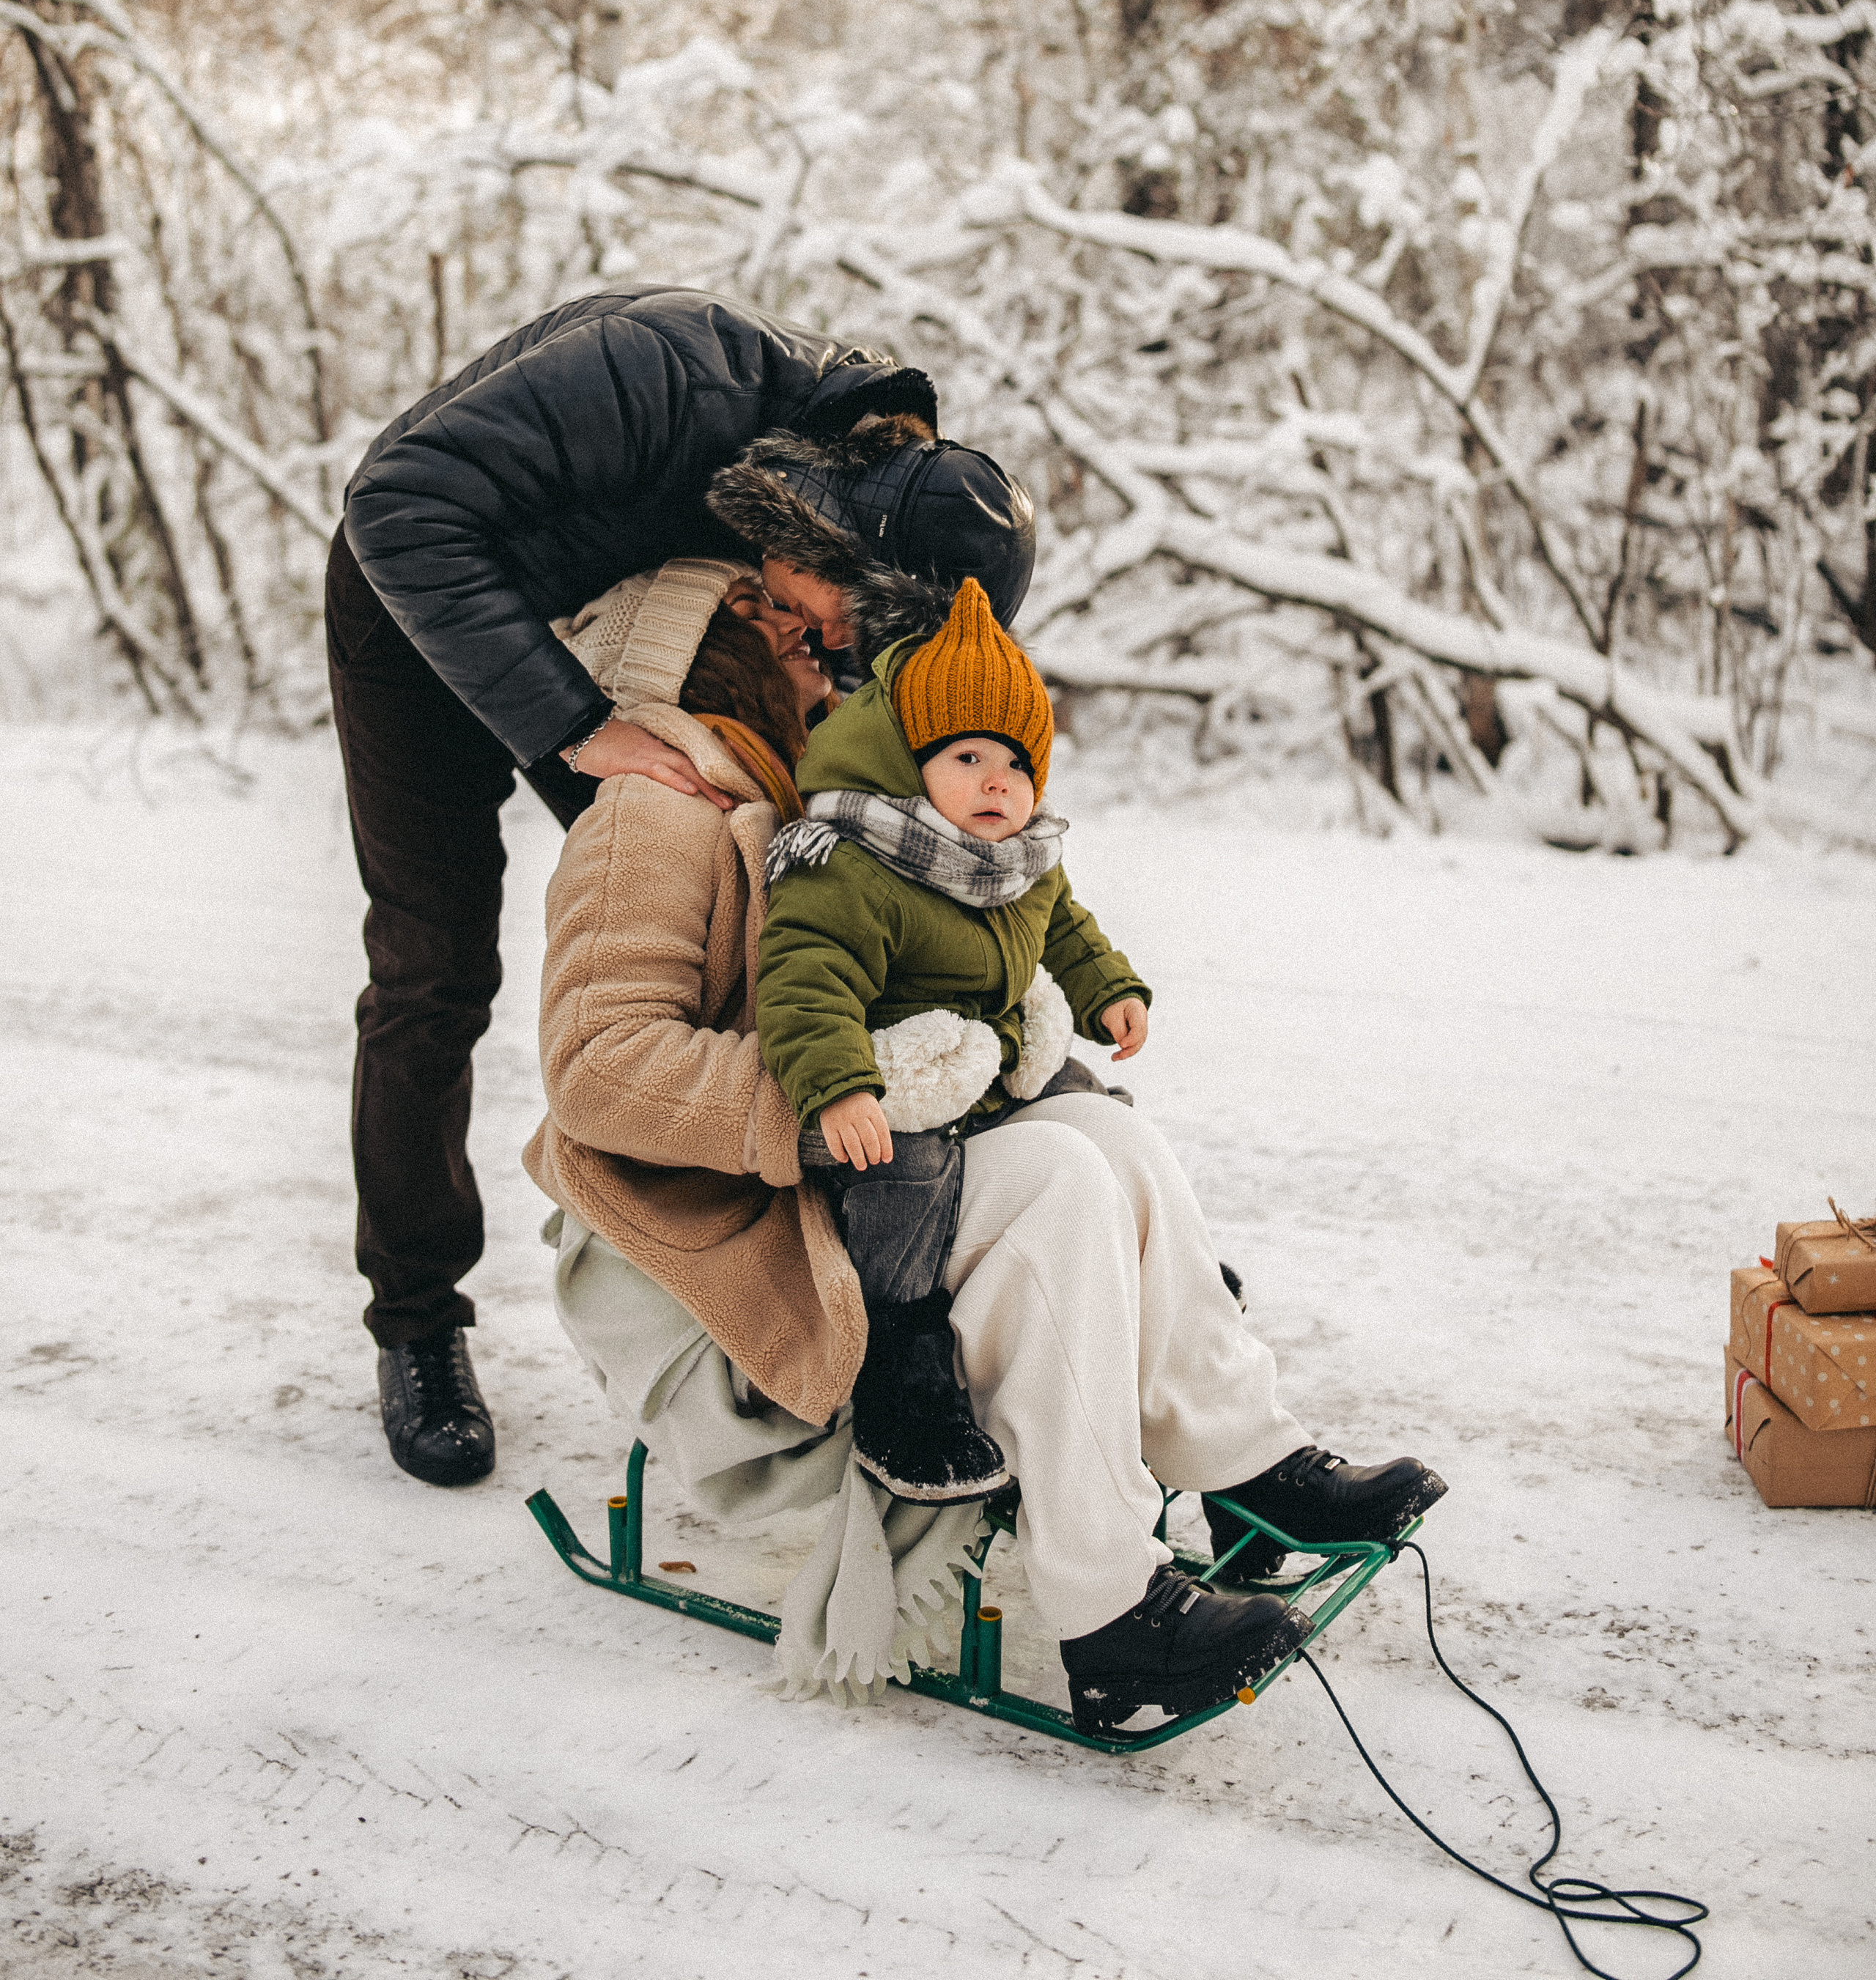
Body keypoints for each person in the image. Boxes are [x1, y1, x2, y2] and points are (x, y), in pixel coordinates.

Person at [531, 549, 1450, 1740]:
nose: (822, 650)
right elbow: (597, 1070)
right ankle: (1112, 1621)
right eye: (782, 630)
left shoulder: (811, 794)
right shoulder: (653, 813)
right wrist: (832, 1098)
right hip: (711, 1232)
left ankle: (1249, 1464)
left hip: (854, 1175)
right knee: (1059, 1182)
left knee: (1105, 1143)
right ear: (712, 654)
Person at [328, 286, 1033, 1488]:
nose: (837, 650)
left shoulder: (877, 495)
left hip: (612, 640)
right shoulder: (665, 377)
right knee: (433, 973)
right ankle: (418, 1323)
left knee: (744, 912)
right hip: (418, 612)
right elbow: (395, 504)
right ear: (829, 531)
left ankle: (798, 1275)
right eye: (840, 624)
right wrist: (571, 723)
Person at [758, 577, 1151, 1504]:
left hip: (994, 1053)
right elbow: (804, 977)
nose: (995, 782)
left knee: (1087, 1101)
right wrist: (841, 1086)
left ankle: (1137, 1251)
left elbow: (1067, 928)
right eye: (966, 756)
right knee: (909, 1175)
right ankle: (898, 1348)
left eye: (1015, 764)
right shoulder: (855, 859)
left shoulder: (1019, 859)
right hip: (897, 1073)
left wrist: (1109, 991)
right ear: (907, 759)